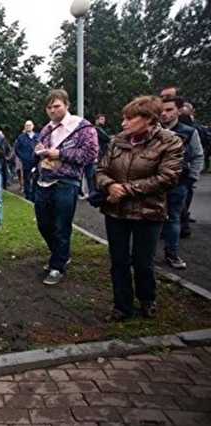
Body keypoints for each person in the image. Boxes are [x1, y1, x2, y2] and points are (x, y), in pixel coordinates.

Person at [96, 96, 183, 320]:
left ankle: (147, 299)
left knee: (143, 261)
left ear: (148, 119)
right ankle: (122, 306)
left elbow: (168, 177)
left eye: (129, 119)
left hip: (148, 212)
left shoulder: (169, 141)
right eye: (123, 118)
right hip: (116, 211)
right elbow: (100, 171)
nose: (123, 123)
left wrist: (126, 189)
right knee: (119, 260)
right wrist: (110, 185)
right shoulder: (117, 141)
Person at [33, 89, 98, 286]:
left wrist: (60, 154)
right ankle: (61, 254)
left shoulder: (81, 127)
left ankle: (57, 266)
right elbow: (40, 149)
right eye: (49, 107)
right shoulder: (46, 129)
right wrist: (39, 151)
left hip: (67, 182)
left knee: (62, 225)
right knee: (43, 224)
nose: (52, 110)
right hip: (44, 180)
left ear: (67, 105)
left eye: (57, 106)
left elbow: (91, 154)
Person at [159, 96, 204, 268]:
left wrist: (191, 178)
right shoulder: (151, 130)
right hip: (152, 184)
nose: (164, 113)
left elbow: (197, 156)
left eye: (169, 110)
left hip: (177, 184)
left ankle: (172, 254)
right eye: (161, 110)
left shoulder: (189, 132)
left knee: (174, 218)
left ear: (179, 110)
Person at [14, 120, 38, 201]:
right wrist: (23, 157)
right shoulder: (21, 137)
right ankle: (28, 196)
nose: (28, 127)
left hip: (36, 161)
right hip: (26, 162)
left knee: (36, 179)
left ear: (33, 126)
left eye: (30, 125)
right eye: (27, 125)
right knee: (27, 179)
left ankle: (34, 195)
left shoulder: (37, 136)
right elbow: (17, 149)